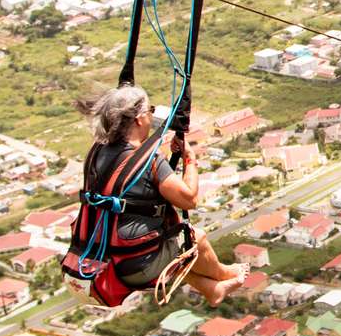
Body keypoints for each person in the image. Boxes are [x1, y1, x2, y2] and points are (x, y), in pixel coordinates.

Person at [68, 86, 239, 303]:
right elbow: (189, 199)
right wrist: (189, 158)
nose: (151, 116)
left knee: (170, 250)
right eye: (150, 110)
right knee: (196, 239)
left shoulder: (97, 153)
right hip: (135, 265)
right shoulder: (149, 160)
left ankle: (213, 291)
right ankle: (226, 275)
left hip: (102, 258)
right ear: (139, 119)